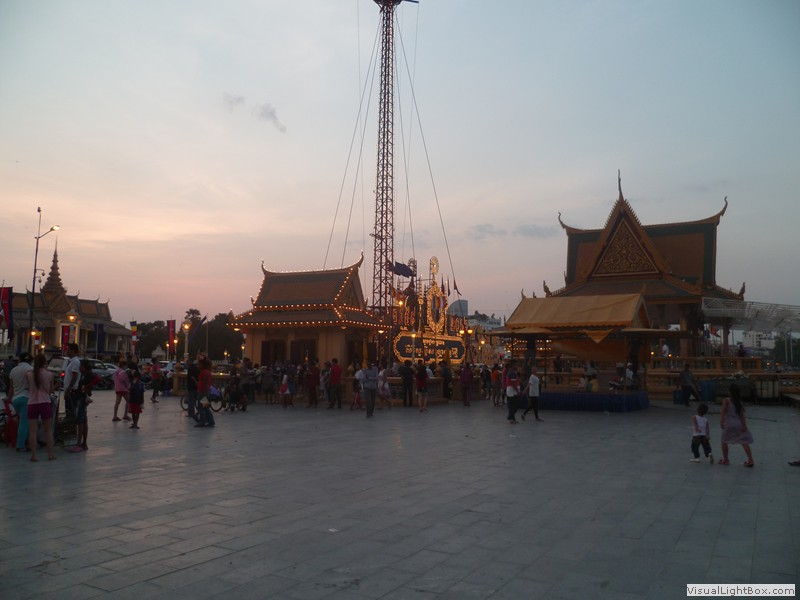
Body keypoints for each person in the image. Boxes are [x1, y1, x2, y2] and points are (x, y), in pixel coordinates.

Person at [25, 353, 56, 461]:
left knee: (33, 431)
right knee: (48, 430)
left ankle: (34, 455)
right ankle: (50, 454)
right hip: (45, 402)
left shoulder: (29, 374)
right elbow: (50, 391)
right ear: (45, 363)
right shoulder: (50, 375)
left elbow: (29, 388)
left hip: (32, 403)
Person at [719, 383, 754, 467]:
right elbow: (742, 416)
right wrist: (744, 425)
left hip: (729, 423)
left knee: (724, 441)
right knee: (744, 442)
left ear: (730, 391)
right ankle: (750, 460)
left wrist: (721, 422)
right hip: (738, 423)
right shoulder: (739, 402)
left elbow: (723, 412)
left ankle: (725, 460)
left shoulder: (726, 401)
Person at [71, 359, 101, 452]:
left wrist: (85, 388)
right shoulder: (86, 374)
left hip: (82, 399)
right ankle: (84, 443)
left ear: (84, 366)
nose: (79, 367)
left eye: (80, 366)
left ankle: (79, 444)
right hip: (83, 398)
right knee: (84, 421)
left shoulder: (88, 375)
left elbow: (95, 380)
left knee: (80, 421)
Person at [8, 352, 34, 451]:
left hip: (15, 399)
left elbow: (11, 387)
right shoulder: (30, 369)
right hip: (26, 398)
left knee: (23, 421)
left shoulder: (13, 370)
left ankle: (25, 441)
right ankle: (20, 445)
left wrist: (9, 398)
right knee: (24, 422)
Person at [195, 357, 215, 427]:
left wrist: (203, 392)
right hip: (205, 391)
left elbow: (204, 383)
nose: (199, 366)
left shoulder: (204, 372)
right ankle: (211, 421)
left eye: (200, 364)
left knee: (201, 407)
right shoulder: (207, 372)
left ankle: (202, 421)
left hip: (203, 392)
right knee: (205, 408)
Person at [63, 343, 81, 415]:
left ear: (73, 350)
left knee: (71, 411)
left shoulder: (75, 362)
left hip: (72, 391)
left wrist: (68, 389)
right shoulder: (71, 361)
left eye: (68, 349)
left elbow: (74, 377)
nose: (67, 351)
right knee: (68, 411)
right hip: (69, 391)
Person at [186, 354, 201, 422]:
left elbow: (192, 377)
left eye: (188, 361)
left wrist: (196, 382)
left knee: (191, 400)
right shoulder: (196, 368)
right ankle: (199, 411)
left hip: (191, 386)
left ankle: (191, 413)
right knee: (195, 399)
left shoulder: (190, 368)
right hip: (196, 386)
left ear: (190, 361)